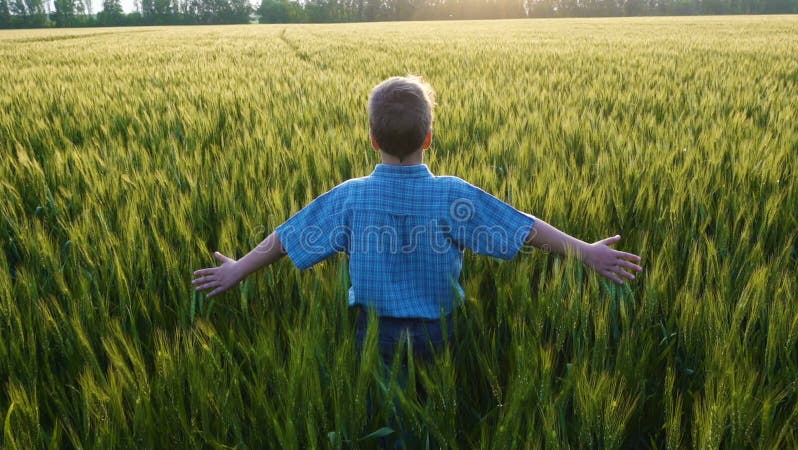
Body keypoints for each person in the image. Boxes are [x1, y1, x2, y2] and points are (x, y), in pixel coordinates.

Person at [192, 75, 642, 446]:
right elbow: (522, 228)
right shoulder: (451, 195)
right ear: (429, 136)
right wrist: (586, 252)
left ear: (372, 140)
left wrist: (237, 269)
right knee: (434, 409)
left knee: (386, 418)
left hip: (375, 332)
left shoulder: (350, 197)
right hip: (438, 330)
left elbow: (288, 238)